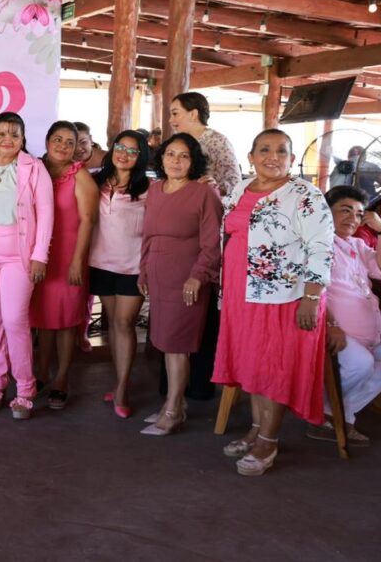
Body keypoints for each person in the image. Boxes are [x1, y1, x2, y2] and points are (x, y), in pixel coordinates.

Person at [213, 129, 334, 476]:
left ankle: (268, 441)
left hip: (285, 296)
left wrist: (312, 296)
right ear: (251, 157)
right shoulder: (241, 188)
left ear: (292, 159)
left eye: (282, 151)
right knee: (253, 363)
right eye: (264, 149)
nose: (273, 156)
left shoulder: (305, 195)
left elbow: (322, 247)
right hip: (242, 294)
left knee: (274, 367)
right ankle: (255, 429)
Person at [0, 113, 54, 420]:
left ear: (22, 139)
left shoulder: (34, 168)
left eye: (14, 134)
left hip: (19, 256)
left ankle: (26, 388)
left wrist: (39, 255)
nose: (8, 139)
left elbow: (46, 213)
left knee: (15, 320)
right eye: (2, 134)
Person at [137, 133, 223, 436]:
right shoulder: (155, 190)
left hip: (187, 279)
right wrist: (143, 270)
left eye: (184, 156)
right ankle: (175, 404)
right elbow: (148, 236)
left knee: (177, 346)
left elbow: (213, 243)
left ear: (193, 161)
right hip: (159, 275)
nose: (176, 161)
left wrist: (198, 276)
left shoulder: (204, 193)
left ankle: (173, 410)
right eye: (170, 154)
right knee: (164, 342)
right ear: (161, 158)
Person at [306, 186, 381, 446]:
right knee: (362, 364)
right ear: (327, 212)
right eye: (345, 210)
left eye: (359, 214)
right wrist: (331, 325)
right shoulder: (318, 245)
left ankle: (333, 414)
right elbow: (310, 290)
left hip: (371, 328)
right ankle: (331, 415)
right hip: (336, 329)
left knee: (370, 364)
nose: (353, 218)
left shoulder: (359, 245)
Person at [31, 121, 98, 410]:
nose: (63, 146)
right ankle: (41, 372)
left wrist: (77, 262)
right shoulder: (35, 169)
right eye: (57, 139)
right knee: (44, 319)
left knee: (67, 321)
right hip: (40, 255)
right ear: (47, 141)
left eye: (69, 142)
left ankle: (61, 379)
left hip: (69, 256)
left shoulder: (79, 175)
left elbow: (88, 221)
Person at [91, 130, 150, 419]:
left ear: (141, 157)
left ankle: (124, 387)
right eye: (120, 147)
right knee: (114, 325)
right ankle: (118, 381)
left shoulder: (150, 188)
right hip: (100, 263)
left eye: (132, 150)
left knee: (125, 324)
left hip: (133, 267)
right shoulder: (96, 181)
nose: (124, 154)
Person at [168, 91, 241, 198]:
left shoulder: (217, 141)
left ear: (193, 114)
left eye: (175, 114)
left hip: (207, 202)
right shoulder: (177, 141)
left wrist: (215, 186)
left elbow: (235, 182)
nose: (170, 120)